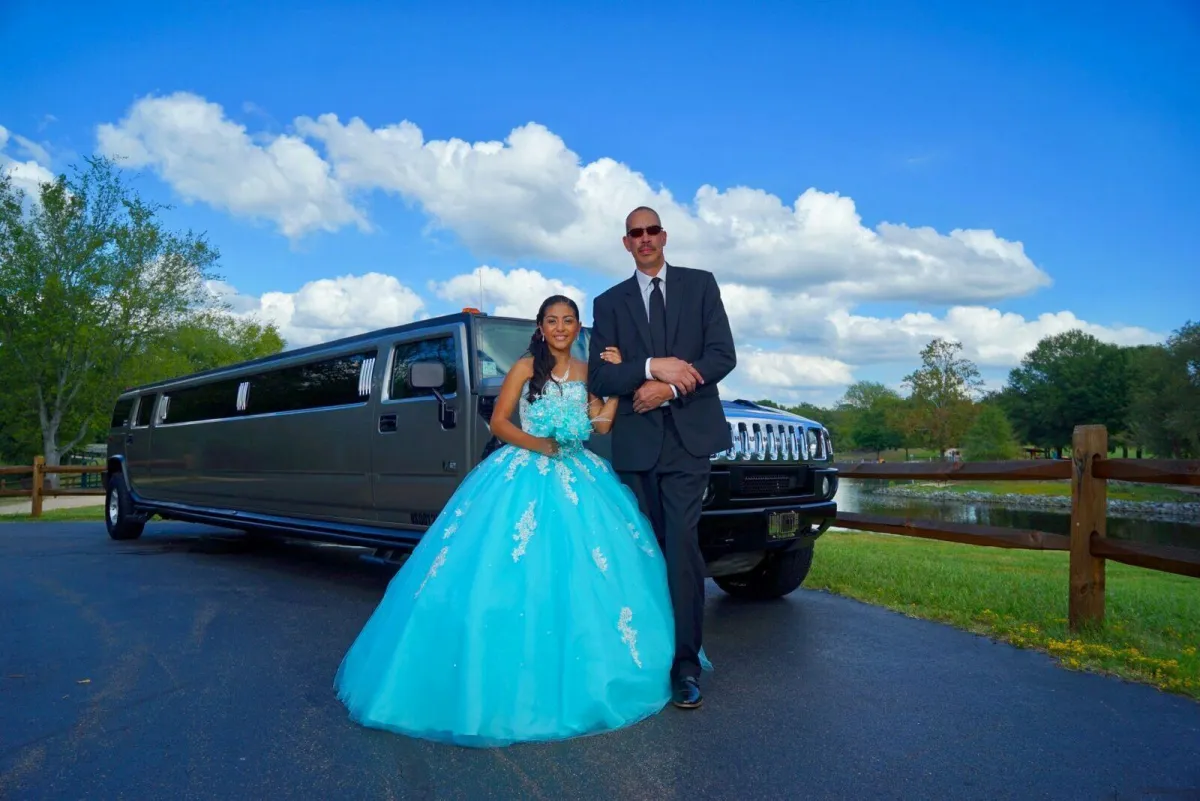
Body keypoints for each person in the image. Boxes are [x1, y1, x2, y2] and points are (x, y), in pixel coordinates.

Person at [334, 294, 706, 748]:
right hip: (524, 469)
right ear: (541, 327)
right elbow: (499, 423)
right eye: (552, 320)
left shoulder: (589, 372)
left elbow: (602, 426)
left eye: (568, 320)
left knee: (591, 570)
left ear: (578, 327)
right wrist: (540, 444)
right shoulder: (525, 368)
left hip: (580, 472)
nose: (561, 327)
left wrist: (612, 390)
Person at [587, 206, 736, 710]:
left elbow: (722, 355)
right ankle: (644, 656)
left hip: (689, 440)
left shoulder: (701, 285)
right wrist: (651, 366)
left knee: (681, 547)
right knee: (641, 551)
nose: (645, 238)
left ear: (664, 236)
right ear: (626, 243)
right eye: (636, 233)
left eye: (652, 230)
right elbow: (601, 378)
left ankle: (685, 666)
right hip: (636, 445)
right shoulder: (609, 303)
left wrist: (668, 388)